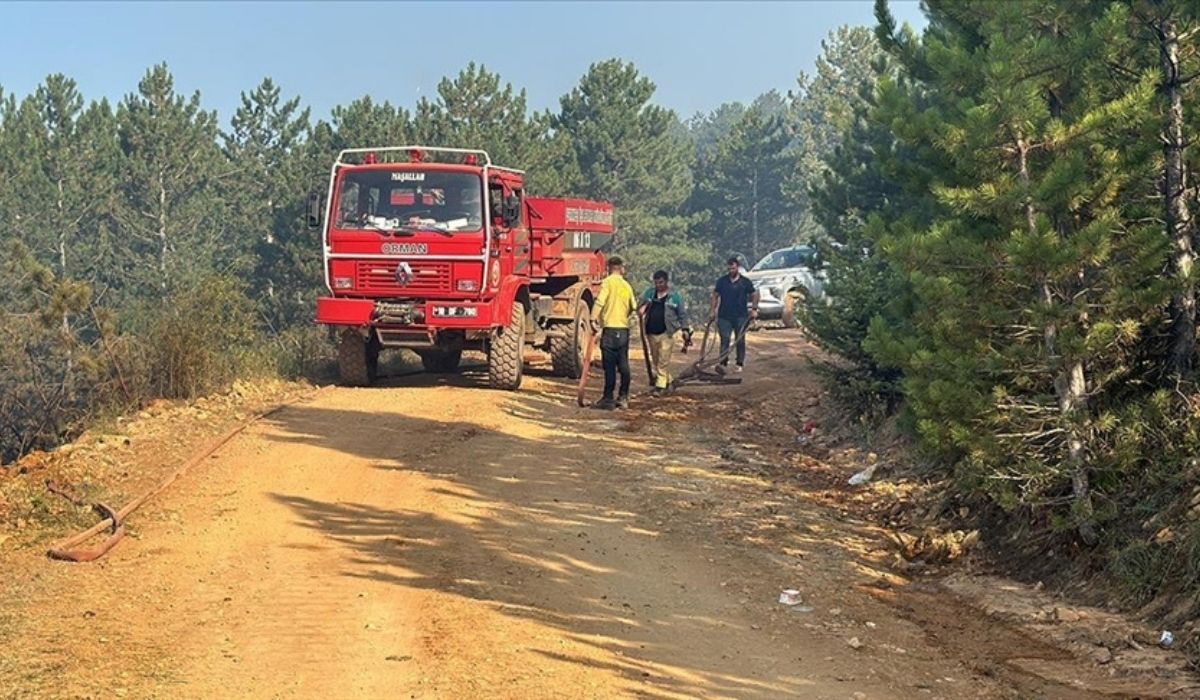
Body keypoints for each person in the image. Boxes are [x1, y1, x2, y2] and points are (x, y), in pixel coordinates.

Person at [591, 255, 638, 409]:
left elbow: (600, 301)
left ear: (608, 268)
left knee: (609, 366)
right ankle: (623, 397)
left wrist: (593, 319)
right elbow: (633, 306)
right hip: (623, 330)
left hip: (610, 329)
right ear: (621, 268)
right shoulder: (626, 286)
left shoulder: (607, 283)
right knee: (623, 364)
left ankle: (608, 398)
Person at [638, 270, 691, 396]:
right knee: (656, 360)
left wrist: (685, 330)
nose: (658, 285)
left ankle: (660, 387)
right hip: (651, 332)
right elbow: (639, 308)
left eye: (661, 282)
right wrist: (644, 306)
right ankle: (670, 381)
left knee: (663, 360)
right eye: (656, 283)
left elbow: (682, 315)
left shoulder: (675, 297)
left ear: (666, 282)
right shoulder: (649, 294)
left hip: (667, 333)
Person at [708, 256, 759, 373]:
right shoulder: (722, 281)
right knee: (724, 339)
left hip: (741, 316)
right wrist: (712, 311)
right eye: (729, 269)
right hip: (724, 316)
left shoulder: (745, 282)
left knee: (740, 340)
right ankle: (723, 363)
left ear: (738, 268)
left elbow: (755, 294)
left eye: (733, 268)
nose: (731, 271)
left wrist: (754, 309)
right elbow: (715, 295)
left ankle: (739, 363)